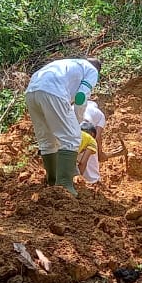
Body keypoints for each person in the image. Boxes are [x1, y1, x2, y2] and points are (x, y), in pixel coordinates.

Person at [24, 57, 100, 195]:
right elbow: (81, 97)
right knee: (72, 138)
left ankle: (52, 183)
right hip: (53, 91)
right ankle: (65, 185)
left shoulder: (71, 64)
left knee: (47, 140)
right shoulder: (92, 71)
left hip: (31, 92)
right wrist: (76, 123)